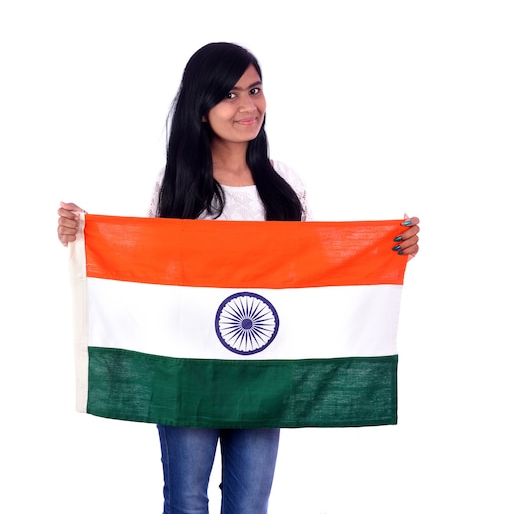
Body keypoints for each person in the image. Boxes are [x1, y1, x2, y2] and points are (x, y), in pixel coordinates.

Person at [57, 41, 420, 514]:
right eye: (230, 95)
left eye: (255, 90)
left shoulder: (284, 183)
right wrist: (86, 234)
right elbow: (147, 273)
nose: (248, 106)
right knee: (186, 501)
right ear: (201, 108)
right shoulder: (176, 183)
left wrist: (389, 252)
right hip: (187, 370)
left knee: (250, 504)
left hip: (263, 373)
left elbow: (312, 277)